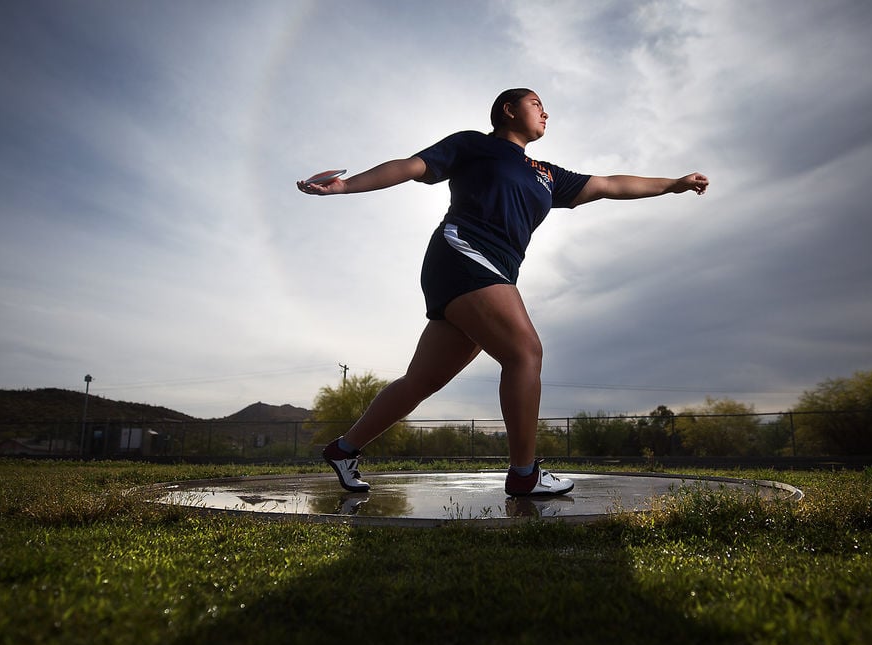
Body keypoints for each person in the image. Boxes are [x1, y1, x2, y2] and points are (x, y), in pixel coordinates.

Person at [297, 88, 708, 497]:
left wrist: (673, 184)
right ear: (508, 111)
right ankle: (525, 473)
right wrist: (344, 187)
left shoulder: (546, 174)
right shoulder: (474, 145)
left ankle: (344, 448)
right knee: (525, 352)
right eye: (536, 104)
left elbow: (608, 184)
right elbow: (410, 166)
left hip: (489, 270)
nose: (546, 112)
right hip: (464, 253)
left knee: (423, 380)